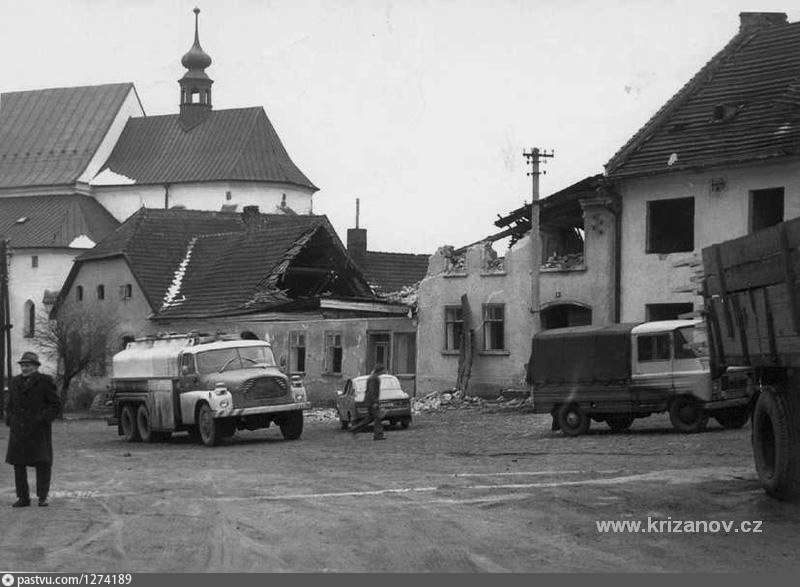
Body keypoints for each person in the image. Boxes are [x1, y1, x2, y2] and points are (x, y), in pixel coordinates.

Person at [4, 351, 61, 508]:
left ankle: (42, 497)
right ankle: (23, 498)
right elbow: (10, 404)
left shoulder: (45, 382)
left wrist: (42, 419)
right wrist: (10, 419)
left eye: (28, 365)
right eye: (22, 365)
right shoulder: (15, 382)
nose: (24, 368)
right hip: (18, 430)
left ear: (36, 367)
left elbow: (55, 405)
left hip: (38, 430)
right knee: (18, 464)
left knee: (42, 463)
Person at [364, 363, 386, 441]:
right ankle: (378, 435)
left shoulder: (373, 377)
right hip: (372, 401)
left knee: (369, 419)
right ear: (380, 370)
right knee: (377, 418)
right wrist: (374, 402)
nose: (384, 372)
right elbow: (372, 391)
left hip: (370, 401)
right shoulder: (374, 378)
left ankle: (355, 429)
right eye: (383, 370)